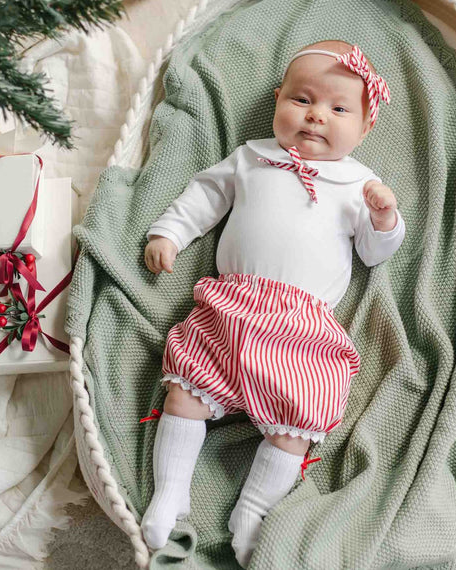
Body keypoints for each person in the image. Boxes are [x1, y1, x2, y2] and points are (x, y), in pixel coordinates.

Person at [141, 39, 405, 568]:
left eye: (337, 108)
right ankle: (170, 494)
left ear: (365, 127)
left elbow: (375, 256)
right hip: (230, 306)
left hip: (301, 329)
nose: (315, 116)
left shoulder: (359, 185)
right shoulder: (251, 157)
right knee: (185, 388)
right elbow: (203, 198)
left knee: (301, 415)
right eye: (302, 100)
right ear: (278, 99)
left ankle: (255, 510)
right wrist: (168, 233)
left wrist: (383, 219)